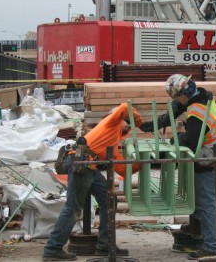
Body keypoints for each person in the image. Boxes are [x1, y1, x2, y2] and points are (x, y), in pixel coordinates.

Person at [140, 74, 216, 260]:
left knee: (206, 203)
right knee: (197, 197)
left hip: (207, 156)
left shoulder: (197, 110)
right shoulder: (197, 96)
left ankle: (213, 247)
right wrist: (150, 125)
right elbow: (173, 111)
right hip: (207, 152)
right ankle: (195, 231)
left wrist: (169, 144)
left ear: (181, 94)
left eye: (175, 98)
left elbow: (191, 141)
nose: (175, 101)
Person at [43, 103, 144, 261]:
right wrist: (140, 123)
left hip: (89, 166)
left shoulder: (113, 141)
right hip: (82, 164)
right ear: (119, 118)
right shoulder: (111, 122)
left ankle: (105, 245)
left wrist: (142, 165)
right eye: (128, 122)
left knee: (109, 199)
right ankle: (52, 249)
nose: (128, 126)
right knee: (73, 208)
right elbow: (125, 107)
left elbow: (122, 170)